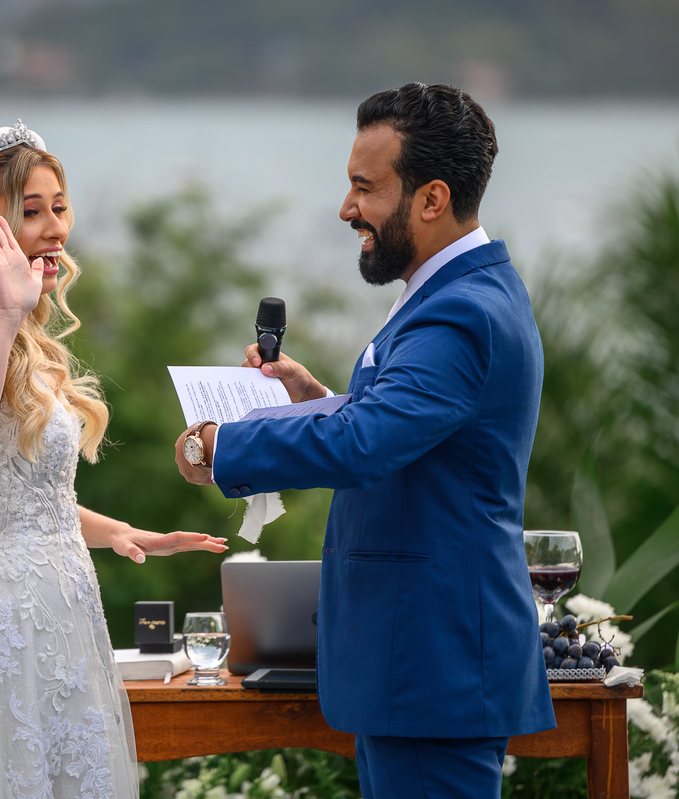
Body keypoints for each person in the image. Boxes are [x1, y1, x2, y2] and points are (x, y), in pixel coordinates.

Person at [174, 84, 555, 798]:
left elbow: (366, 443)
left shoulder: (459, 315)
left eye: (364, 188)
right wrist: (315, 400)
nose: (347, 208)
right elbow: (406, 427)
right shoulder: (456, 296)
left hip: (431, 664)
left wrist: (223, 447)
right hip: (418, 667)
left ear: (431, 198)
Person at [0, 122, 227, 799]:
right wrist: (5, 314)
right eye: (30, 211)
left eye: (59, 205)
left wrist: (119, 530)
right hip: (3, 617)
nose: (55, 226)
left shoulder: (21, 337)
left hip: (59, 606)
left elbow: (24, 497)